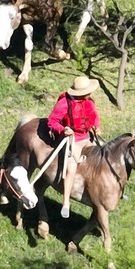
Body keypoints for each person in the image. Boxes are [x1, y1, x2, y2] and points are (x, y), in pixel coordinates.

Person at [46, 75, 100, 218]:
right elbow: (52, 121)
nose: (90, 94)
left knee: (103, 156)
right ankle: (66, 203)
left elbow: (95, 117)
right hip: (74, 139)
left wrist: (97, 127)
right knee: (71, 169)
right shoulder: (64, 103)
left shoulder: (90, 101)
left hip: (88, 137)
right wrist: (63, 130)